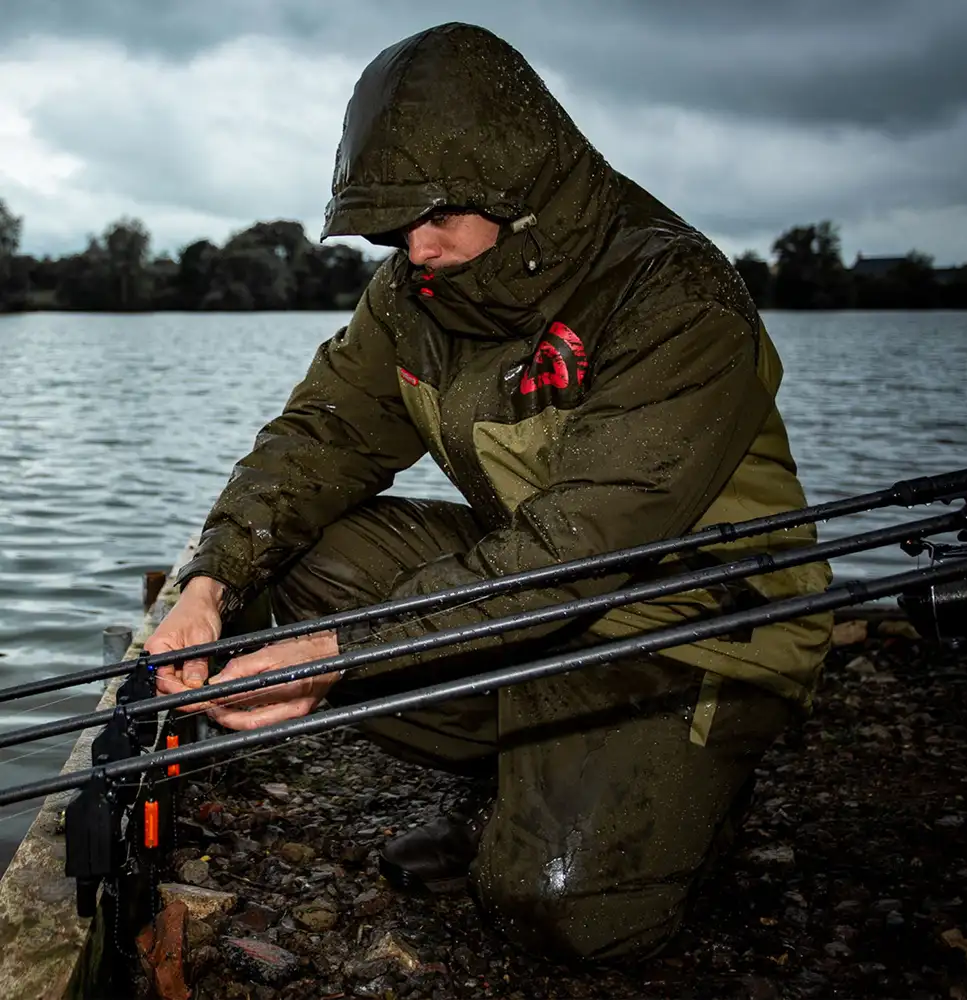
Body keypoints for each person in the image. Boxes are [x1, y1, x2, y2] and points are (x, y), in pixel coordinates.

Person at [149, 22, 832, 963]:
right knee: (284, 563)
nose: (414, 246)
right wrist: (209, 582)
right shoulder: (411, 297)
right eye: (393, 224)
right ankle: (527, 770)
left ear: (522, 188)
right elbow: (321, 436)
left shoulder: (674, 292)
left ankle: (685, 787)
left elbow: (585, 546)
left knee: (557, 912)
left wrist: (344, 650)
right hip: (537, 595)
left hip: (696, 624)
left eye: (437, 216)